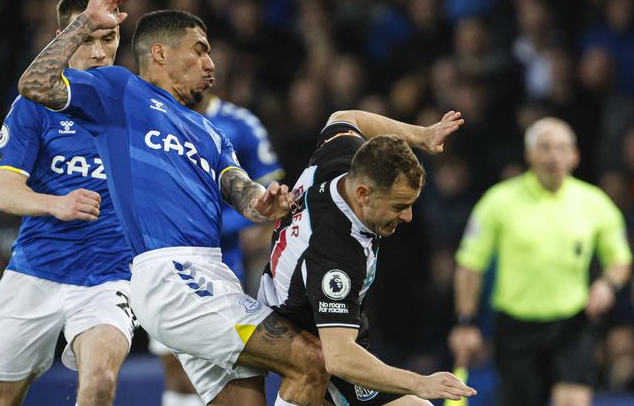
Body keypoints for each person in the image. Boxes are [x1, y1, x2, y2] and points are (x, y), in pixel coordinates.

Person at [18, 0, 328, 405]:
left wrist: (262, 203)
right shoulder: (119, 90)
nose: (210, 61)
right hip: (172, 274)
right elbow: (35, 85)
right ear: (160, 53)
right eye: (199, 49)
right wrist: (86, 21)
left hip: (216, 274)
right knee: (312, 360)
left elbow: (241, 191)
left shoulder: (212, 133)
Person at [0, 0, 136, 406]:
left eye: (109, 38)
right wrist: (56, 204)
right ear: (65, 37)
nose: (100, 52)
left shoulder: (133, 102)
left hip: (109, 276)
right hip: (36, 271)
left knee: (99, 383)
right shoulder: (33, 105)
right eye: (87, 38)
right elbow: (5, 193)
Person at [257, 110, 478, 405]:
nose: (408, 216)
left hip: (317, 322)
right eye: (399, 205)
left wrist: (421, 137)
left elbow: (345, 117)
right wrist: (420, 383)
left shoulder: (343, 158)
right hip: (307, 335)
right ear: (363, 193)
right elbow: (339, 358)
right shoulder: (336, 253)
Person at [448, 117, 633, 406]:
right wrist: (466, 321)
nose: (553, 155)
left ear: (575, 156)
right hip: (516, 328)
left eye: (561, 148)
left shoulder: (595, 203)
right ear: (529, 155)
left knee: (572, 400)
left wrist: (608, 285)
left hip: (572, 324)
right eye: (544, 147)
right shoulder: (499, 201)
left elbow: (620, 258)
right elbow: (470, 265)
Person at [148, 93, 285, 406]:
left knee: (225, 374)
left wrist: (246, 225)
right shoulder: (151, 117)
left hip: (222, 265)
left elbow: (269, 191)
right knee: (176, 371)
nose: (204, 65)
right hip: (163, 259)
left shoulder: (239, 123)